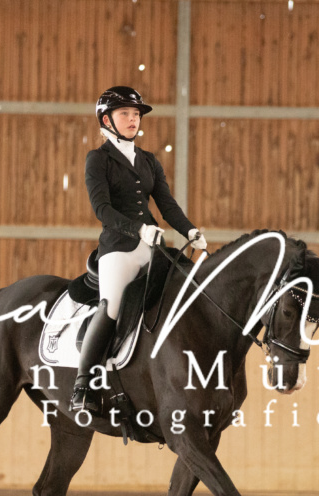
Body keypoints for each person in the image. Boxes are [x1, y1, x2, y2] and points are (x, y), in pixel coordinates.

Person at [70, 86, 207, 415]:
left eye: (136, 114)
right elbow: (102, 209)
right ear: (107, 120)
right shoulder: (98, 159)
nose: (133, 119)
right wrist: (138, 229)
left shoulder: (149, 161)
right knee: (112, 305)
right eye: (125, 114)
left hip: (154, 247)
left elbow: (167, 205)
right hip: (119, 248)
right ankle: (83, 385)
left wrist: (190, 230)